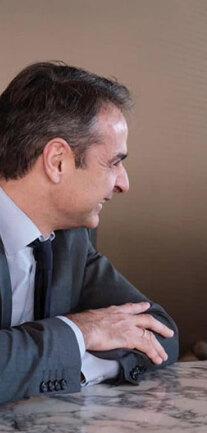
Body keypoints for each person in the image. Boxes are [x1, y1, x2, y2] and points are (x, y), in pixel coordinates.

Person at [0, 62, 178, 405]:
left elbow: (160, 332)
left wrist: (70, 368)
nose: (124, 183)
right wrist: (82, 332)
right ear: (57, 161)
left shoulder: (71, 239)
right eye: (114, 162)